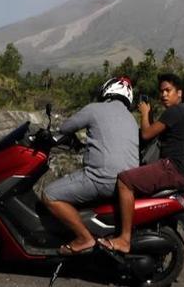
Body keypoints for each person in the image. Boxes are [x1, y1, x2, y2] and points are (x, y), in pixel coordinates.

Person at [98, 73, 184, 254]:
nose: (164, 95)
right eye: (162, 91)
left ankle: (124, 239)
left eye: (168, 90)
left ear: (179, 93)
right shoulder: (181, 112)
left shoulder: (176, 111)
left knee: (125, 180)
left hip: (173, 168)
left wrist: (144, 113)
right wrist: (149, 117)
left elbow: (146, 134)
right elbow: (153, 134)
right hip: (178, 169)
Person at [41, 77, 139, 255]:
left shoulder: (95, 109)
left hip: (101, 178)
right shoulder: (131, 119)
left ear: (107, 90)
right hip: (127, 184)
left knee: (49, 195)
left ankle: (84, 238)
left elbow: (65, 127)